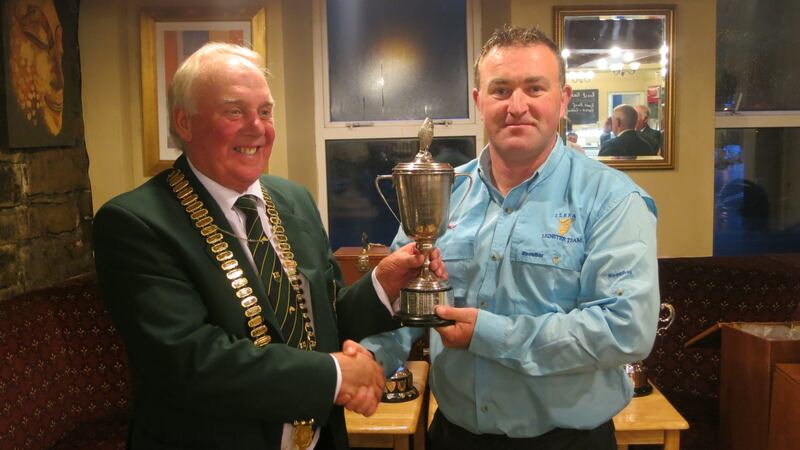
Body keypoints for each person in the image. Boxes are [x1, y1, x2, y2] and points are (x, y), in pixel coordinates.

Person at [93, 42, 444, 450]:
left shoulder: (293, 200)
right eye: (234, 111)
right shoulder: (135, 222)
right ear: (184, 123)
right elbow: (192, 362)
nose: (256, 128)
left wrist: (383, 283)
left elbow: (327, 322)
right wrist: (336, 375)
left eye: (265, 111)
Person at [362, 26, 659, 450]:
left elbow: (624, 329)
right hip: (453, 436)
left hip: (569, 441)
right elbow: (404, 302)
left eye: (534, 88)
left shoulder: (612, 200)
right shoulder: (442, 195)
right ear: (479, 100)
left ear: (563, 99)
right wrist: (372, 359)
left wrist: (489, 334)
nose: (517, 106)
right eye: (500, 90)